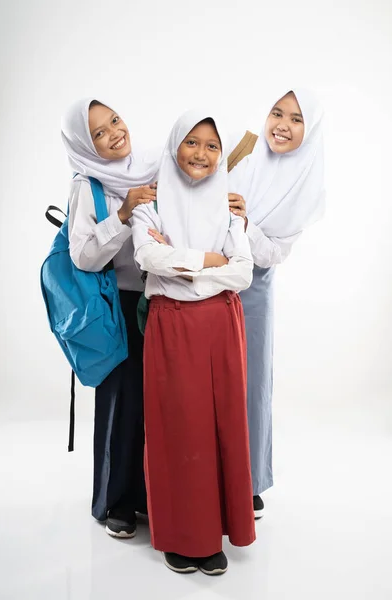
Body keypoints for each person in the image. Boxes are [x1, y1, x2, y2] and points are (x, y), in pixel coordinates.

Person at [131, 109, 255, 575]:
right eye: (191, 142)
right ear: (174, 145)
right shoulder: (151, 202)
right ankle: (184, 534)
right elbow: (147, 254)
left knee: (222, 429)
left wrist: (179, 260)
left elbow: (242, 272)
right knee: (179, 430)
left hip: (222, 324)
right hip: (172, 323)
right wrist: (208, 257)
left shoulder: (230, 206)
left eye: (211, 146)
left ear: (221, 156)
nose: (201, 153)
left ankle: (217, 528)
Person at [61, 97, 159, 538]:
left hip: (161, 301)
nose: (114, 132)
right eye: (99, 132)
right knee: (122, 405)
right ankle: (115, 502)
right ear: (86, 144)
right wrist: (122, 214)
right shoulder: (89, 185)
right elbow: (82, 255)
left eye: (114, 120)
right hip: (117, 306)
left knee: (158, 406)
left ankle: (148, 496)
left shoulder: (153, 166)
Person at [228, 88, 325, 518]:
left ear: (311, 129)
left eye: (297, 119)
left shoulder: (304, 183)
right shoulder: (244, 148)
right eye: (277, 112)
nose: (282, 125)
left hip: (252, 289)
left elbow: (273, 254)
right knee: (208, 384)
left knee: (250, 386)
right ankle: (205, 475)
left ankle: (247, 481)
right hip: (207, 276)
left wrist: (243, 223)